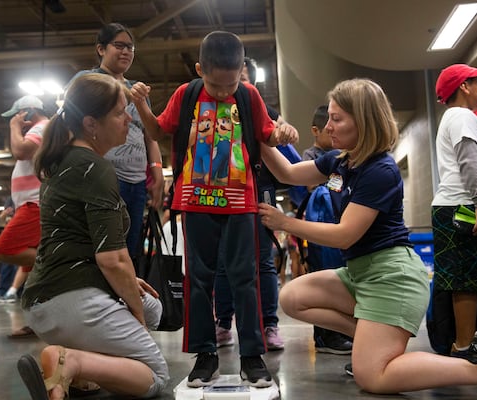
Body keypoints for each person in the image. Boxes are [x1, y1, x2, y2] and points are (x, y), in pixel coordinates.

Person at [257, 77, 477, 396]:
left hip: (392, 279)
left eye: (337, 118)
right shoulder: (340, 162)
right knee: (293, 298)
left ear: (364, 121)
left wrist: (285, 223)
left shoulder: (380, 170)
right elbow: (287, 173)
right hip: (361, 274)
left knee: (373, 378)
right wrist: (257, 131)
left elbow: (345, 235)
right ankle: (371, 337)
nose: (328, 126)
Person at [131, 31, 298, 388]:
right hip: (195, 198)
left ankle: (251, 355)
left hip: (240, 200)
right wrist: (142, 104)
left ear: (241, 72)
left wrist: (283, 132)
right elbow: (159, 129)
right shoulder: (187, 93)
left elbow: (267, 134)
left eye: (231, 84)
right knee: (199, 279)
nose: (223, 93)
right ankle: (204, 355)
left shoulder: (249, 95)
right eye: (216, 85)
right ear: (199, 70)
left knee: (245, 277)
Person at [16, 72, 168, 399]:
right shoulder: (95, 168)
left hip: (42, 299)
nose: (128, 119)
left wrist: (134, 296)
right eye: (118, 113)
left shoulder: (65, 162)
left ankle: (83, 372)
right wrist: (135, 317)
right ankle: (70, 361)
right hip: (71, 300)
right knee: (155, 376)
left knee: (155, 307)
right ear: (91, 124)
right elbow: (112, 258)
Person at [213, 56, 294, 351]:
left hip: (260, 190)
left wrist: (284, 130)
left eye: (245, 76)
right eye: (236, 76)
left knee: (263, 260)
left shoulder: (267, 112)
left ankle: (269, 324)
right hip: (223, 192)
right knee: (223, 259)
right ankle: (223, 322)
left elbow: (286, 151)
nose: (240, 81)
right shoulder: (215, 108)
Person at [68, 23, 164, 264]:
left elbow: (150, 135)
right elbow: (70, 123)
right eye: (119, 45)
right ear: (101, 49)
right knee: (103, 246)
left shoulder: (138, 90)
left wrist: (157, 172)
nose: (126, 52)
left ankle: (124, 298)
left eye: (130, 47)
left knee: (130, 248)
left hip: (137, 181)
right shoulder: (87, 79)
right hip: (102, 176)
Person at [432, 63, 477, 356]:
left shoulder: (456, 117)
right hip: (462, 205)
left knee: (465, 279)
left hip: (456, 204)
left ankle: (463, 343)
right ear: (464, 87)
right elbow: (469, 162)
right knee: (465, 282)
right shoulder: (461, 117)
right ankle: (464, 347)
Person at [0, 95, 48, 337]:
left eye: (17, 116)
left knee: (3, 248)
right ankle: (39, 322)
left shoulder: (42, 127)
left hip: (34, 203)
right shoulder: (39, 128)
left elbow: (21, 151)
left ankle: (55, 262)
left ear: (27, 112)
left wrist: (14, 128)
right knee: (32, 272)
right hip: (28, 204)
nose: (15, 121)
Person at [300, 104, 352, 355]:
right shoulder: (311, 156)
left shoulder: (342, 156)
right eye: (329, 126)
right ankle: (324, 336)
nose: (333, 132)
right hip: (319, 229)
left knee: (339, 280)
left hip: (338, 227)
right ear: (315, 130)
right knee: (323, 281)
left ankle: (339, 332)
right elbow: (314, 185)